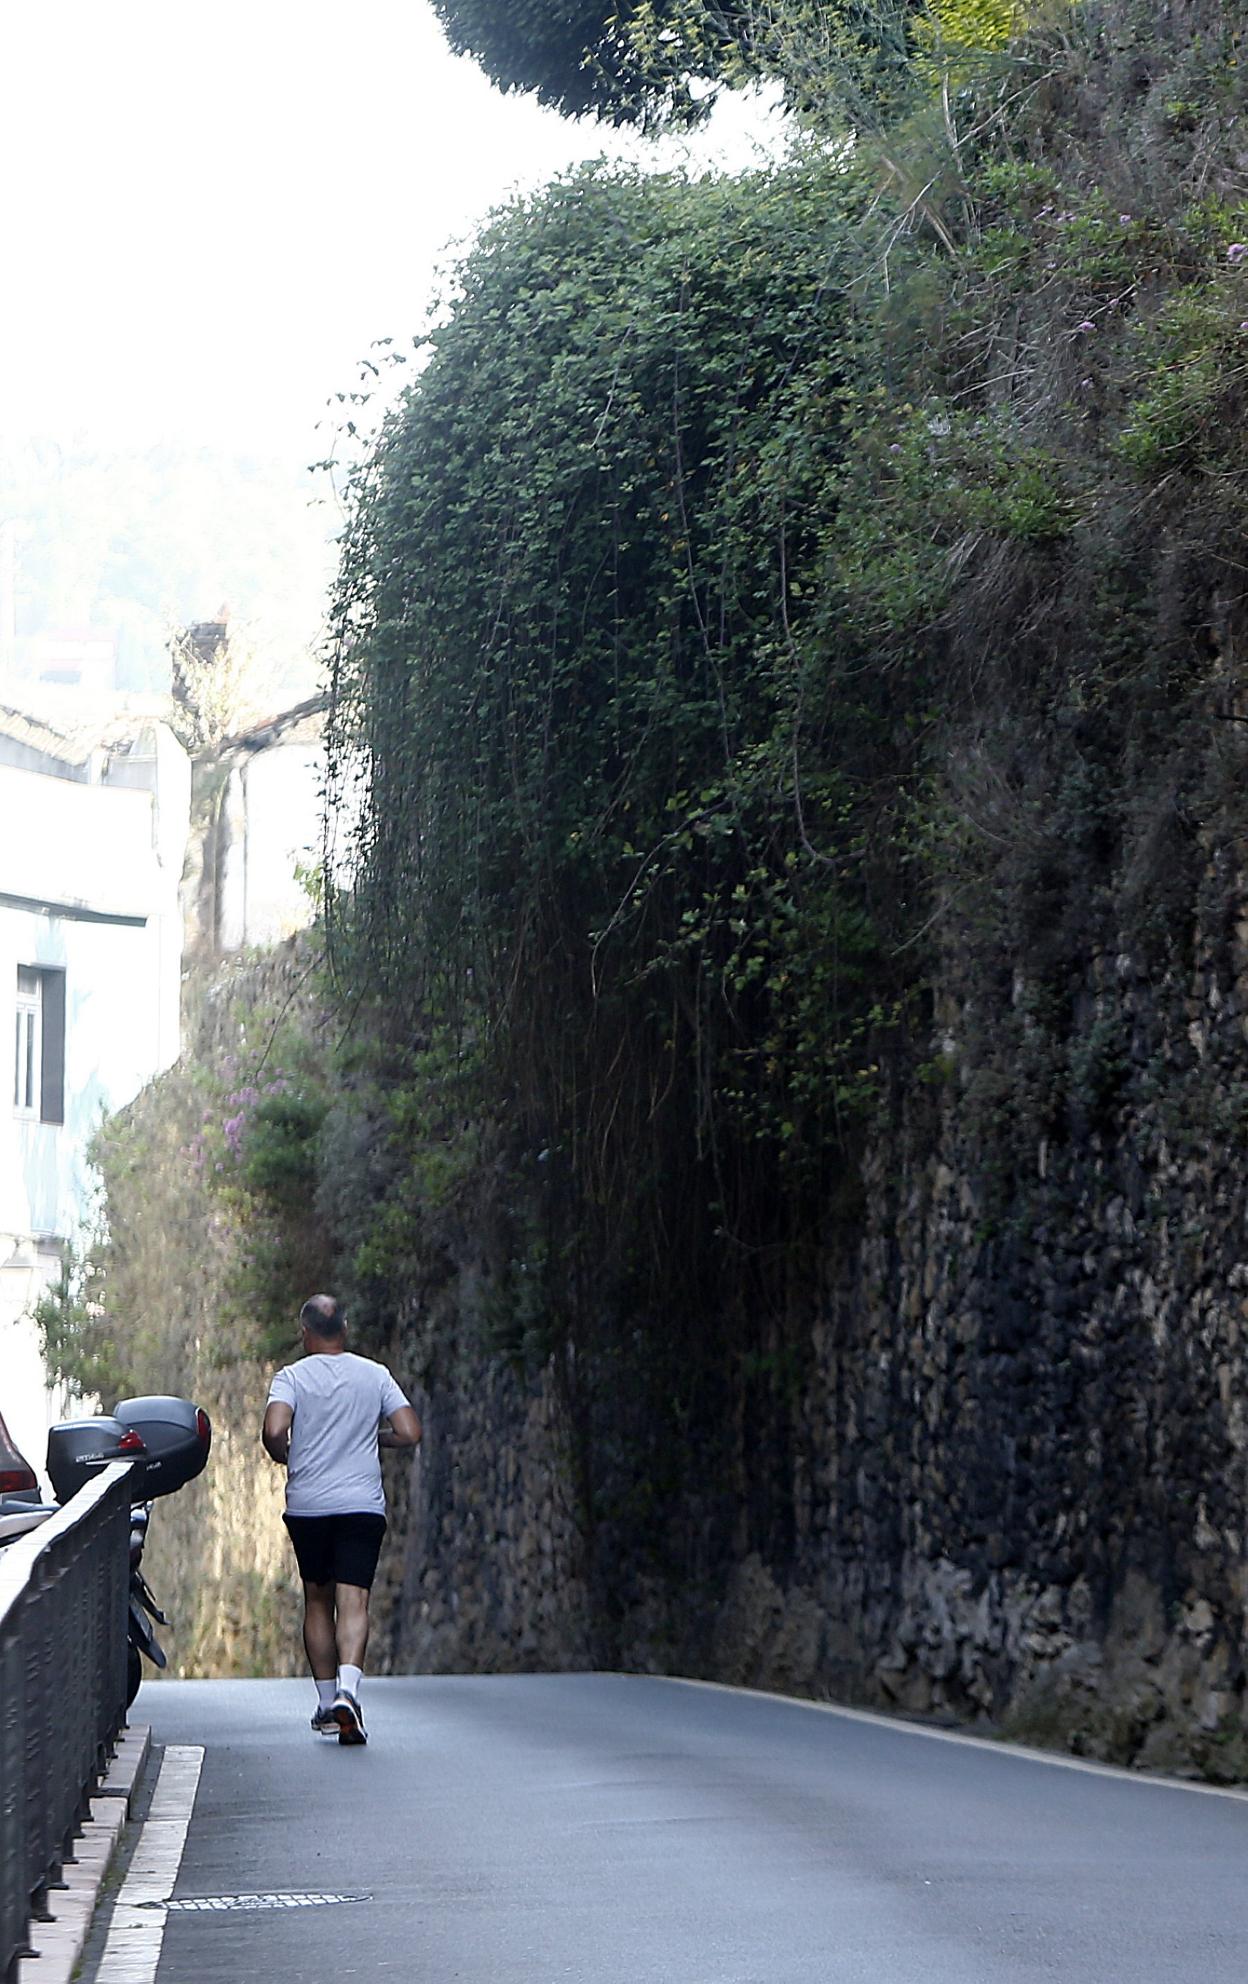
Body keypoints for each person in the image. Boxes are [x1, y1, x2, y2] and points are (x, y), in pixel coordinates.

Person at [262, 1293, 421, 1746]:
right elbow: (410, 1431)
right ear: (345, 1329)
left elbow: (275, 1429)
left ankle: (326, 1701)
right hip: (361, 1505)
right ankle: (349, 1693)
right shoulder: (375, 1375)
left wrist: (284, 1455)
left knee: (317, 1600)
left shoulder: (291, 1377)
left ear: (305, 1332)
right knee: (355, 1601)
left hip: (309, 1504)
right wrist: (377, 1440)